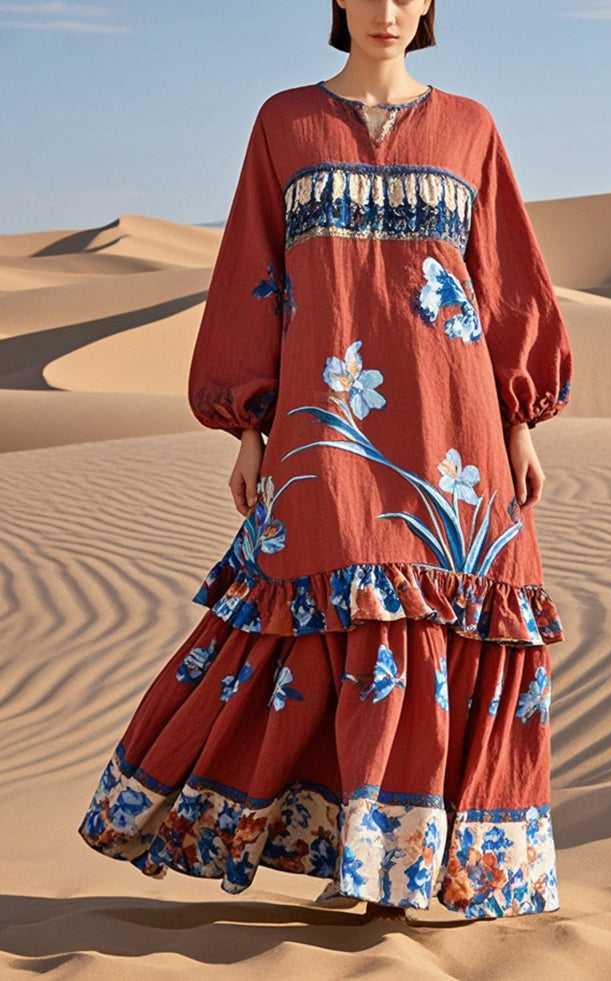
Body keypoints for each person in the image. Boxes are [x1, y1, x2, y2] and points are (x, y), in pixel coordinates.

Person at [78, 0, 573, 923]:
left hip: (456, 436)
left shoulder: (471, 126)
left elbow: (505, 280)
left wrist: (522, 422)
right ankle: (339, 850)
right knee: (319, 608)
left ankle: (410, 872)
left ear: (428, 5)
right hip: (323, 428)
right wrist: (248, 427)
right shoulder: (283, 122)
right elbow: (251, 275)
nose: (387, 10)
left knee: (453, 613)